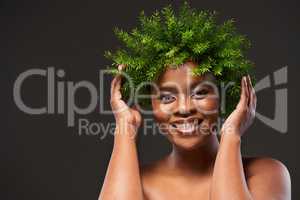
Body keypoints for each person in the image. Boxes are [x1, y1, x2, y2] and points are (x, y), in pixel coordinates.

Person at [98, 61, 291, 200]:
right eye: (167, 97)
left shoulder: (266, 174)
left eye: (200, 92)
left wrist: (231, 137)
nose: (184, 108)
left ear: (223, 96)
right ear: (150, 105)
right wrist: (126, 127)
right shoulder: (135, 181)